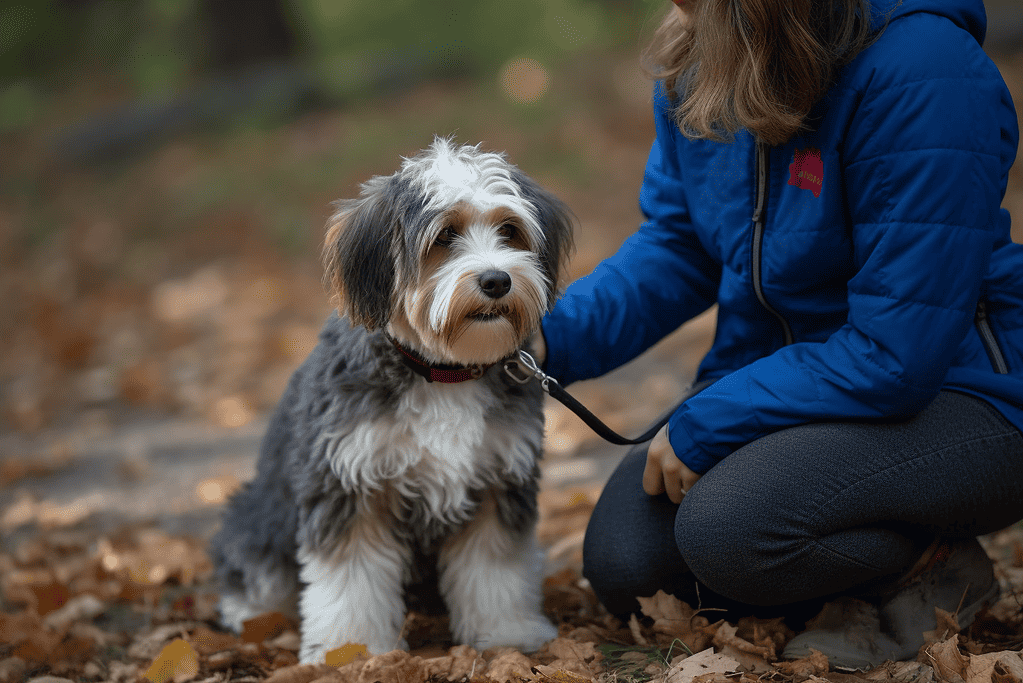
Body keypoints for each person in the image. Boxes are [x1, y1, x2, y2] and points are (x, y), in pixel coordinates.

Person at [533, 0, 1023, 671]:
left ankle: (924, 569)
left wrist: (710, 418)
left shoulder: (922, 67)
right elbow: (679, 245)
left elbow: (897, 352)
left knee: (729, 529)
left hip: (965, 394)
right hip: (790, 383)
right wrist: (540, 338)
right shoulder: (700, 48)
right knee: (627, 562)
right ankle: (830, 564)